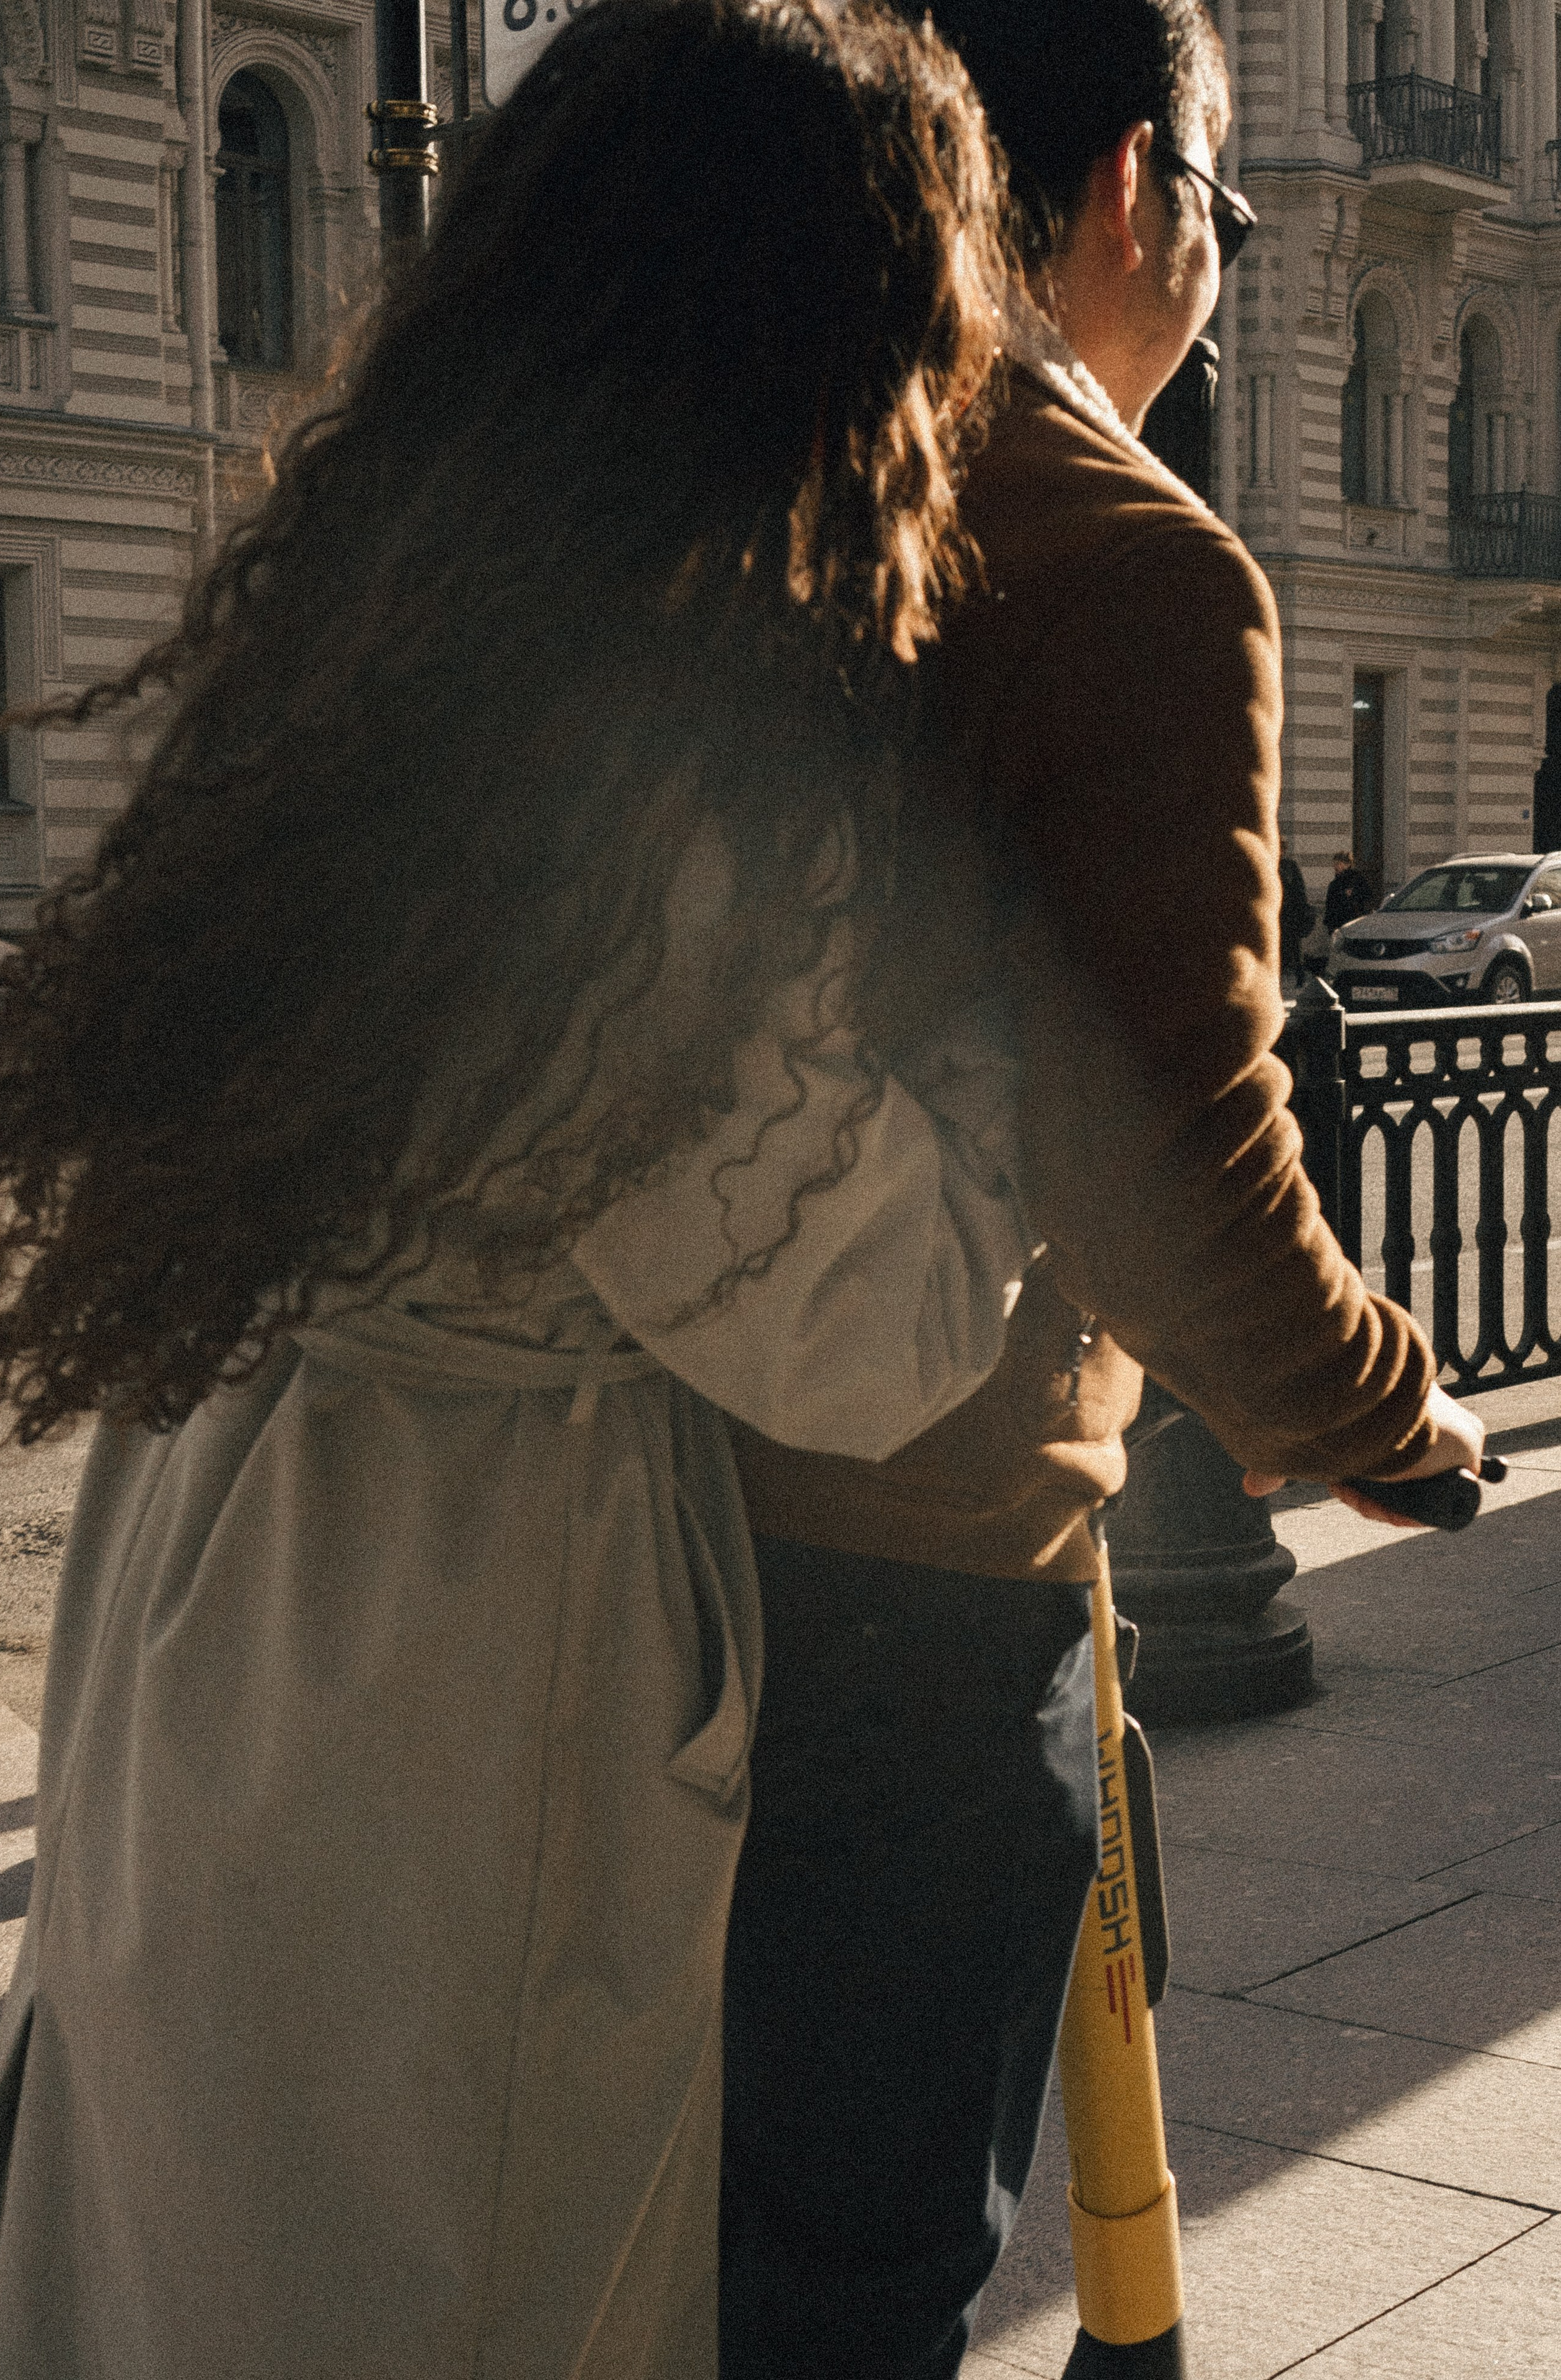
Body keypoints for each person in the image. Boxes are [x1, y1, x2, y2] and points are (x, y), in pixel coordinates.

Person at [0, 6, 1030, 2374]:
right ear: (814, 339)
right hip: (454, 1677)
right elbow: (877, 1334)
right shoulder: (657, 785)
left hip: (220, 1589)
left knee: (180, 2261)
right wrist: (991, 997)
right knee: (437, 2283)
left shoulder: (381, 640)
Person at [718, 5, 1486, 2376]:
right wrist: (1387, 1419)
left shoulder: (764, 475)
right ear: (1136, 189)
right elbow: (1183, 1151)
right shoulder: (1122, 551)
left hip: (655, 1529)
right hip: (927, 1566)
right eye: (1227, 225)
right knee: (853, 2276)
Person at [1278, 835, 1316, 986]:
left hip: (1290, 914)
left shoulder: (1290, 866)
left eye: (1282, 848)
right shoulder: (1270, 864)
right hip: (1278, 913)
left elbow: (1300, 891)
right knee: (1281, 947)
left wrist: (1301, 913)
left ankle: (1300, 976)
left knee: (1293, 947)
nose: (1280, 851)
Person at [1325, 849, 1376, 933]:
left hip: (1353, 921)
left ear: (1347, 865)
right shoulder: (1335, 883)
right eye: (1335, 864)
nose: (1336, 867)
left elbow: (1367, 897)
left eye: (1339, 864)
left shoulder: (1357, 880)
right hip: (1339, 923)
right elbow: (1330, 905)